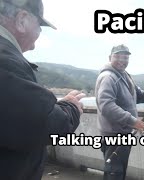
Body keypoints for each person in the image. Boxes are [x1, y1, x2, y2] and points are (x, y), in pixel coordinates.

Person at [0, 0, 85, 179]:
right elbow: (45, 124)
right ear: (22, 20)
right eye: (39, 27)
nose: (34, 45)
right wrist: (71, 107)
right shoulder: (5, 61)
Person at [95, 44, 144, 180]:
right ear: (109, 57)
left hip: (124, 133)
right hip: (114, 135)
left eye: (125, 57)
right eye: (117, 56)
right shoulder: (108, 77)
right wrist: (133, 121)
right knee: (114, 173)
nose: (122, 60)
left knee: (120, 171)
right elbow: (106, 106)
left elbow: (140, 95)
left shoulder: (124, 76)